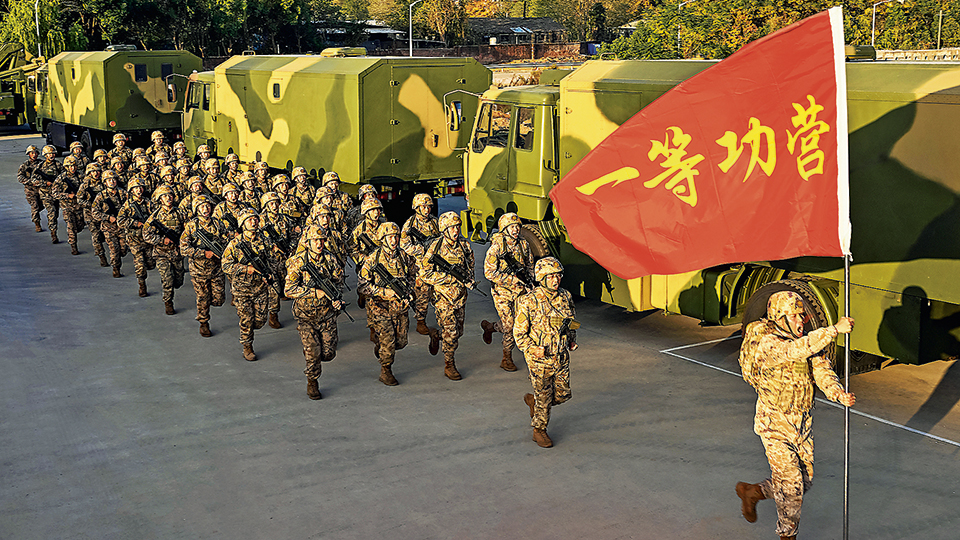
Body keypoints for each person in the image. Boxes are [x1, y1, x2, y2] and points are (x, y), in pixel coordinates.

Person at [735, 291, 856, 540]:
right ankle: (787, 535)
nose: (800, 320)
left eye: (802, 315)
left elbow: (821, 370)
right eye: (794, 315)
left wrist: (837, 393)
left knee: (804, 482)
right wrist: (834, 330)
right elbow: (792, 351)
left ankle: (754, 492)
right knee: (792, 485)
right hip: (774, 425)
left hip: (802, 424)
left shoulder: (803, 339)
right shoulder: (767, 341)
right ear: (779, 317)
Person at [513, 257, 578, 448]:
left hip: (561, 355)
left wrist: (572, 339)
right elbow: (519, 334)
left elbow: (570, 321)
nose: (555, 280)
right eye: (550, 277)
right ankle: (539, 430)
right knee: (544, 396)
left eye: (558, 276)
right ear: (541, 278)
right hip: (539, 359)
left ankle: (535, 402)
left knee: (563, 394)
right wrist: (533, 349)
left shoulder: (565, 296)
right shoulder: (529, 301)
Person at [285, 228, 347, 399]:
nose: (319, 243)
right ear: (307, 243)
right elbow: (288, 290)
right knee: (313, 354)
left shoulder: (330, 259)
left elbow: (338, 282)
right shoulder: (298, 261)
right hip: (306, 316)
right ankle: (312, 382)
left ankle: (314, 354)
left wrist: (336, 298)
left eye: (321, 240)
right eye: (315, 240)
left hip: (327, 315)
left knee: (329, 353)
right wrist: (313, 292)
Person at [419, 211, 476, 381]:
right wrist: (448, 278)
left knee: (458, 332)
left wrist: (469, 279)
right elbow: (424, 273)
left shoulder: (464, 245)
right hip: (443, 298)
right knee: (451, 333)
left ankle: (436, 335)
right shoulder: (435, 247)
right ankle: (449, 364)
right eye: (452, 228)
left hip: (460, 297)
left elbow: (470, 265)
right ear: (444, 229)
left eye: (457, 227)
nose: (456, 230)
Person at [359, 222, 416, 386]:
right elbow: (362, 286)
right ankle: (386, 370)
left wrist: (408, 292)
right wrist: (384, 292)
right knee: (388, 341)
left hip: (400, 307)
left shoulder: (403, 256)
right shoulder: (373, 259)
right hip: (380, 308)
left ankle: (381, 344)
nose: (394, 240)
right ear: (382, 239)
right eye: (390, 237)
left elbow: (412, 275)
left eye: (396, 237)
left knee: (401, 342)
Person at [221, 210, 283, 362]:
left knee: (260, 320)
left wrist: (270, 274)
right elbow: (225, 265)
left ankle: (249, 331)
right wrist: (245, 268)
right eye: (250, 220)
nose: (254, 222)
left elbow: (271, 259)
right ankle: (247, 346)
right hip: (242, 289)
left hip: (260, 288)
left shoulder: (264, 240)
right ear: (243, 224)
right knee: (246, 319)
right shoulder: (235, 244)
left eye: (255, 219)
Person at [482, 213, 536, 372]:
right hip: (502, 292)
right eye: (512, 227)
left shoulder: (523, 244)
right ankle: (507, 357)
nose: (515, 230)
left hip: (520, 292)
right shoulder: (497, 247)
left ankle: (491, 327)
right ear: (504, 229)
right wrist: (511, 280)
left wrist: (530, 281)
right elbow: (489, 273)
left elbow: (530, 265)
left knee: (522, 323)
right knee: (510, 325)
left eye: (517, 226)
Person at [180, 196, 228, 337]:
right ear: (196, 209)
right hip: (198, 270)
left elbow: (227, 240)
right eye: (202, 206)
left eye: (207, 206)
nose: (205, 209)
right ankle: (204, 322)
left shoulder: (218, 224)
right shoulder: (192, 226)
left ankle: (208, 306)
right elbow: (183, 248)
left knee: (219, 299)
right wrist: (203, 253)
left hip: (216, 268)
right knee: (202, 297)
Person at [400, 193, 440, 338]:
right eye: (423, 207)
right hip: (419, 265)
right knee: (422, 294)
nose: (427, 209)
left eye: (428, 206)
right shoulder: (410, 224)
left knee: (438, 292)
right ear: (416, 208)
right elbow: (404, 245)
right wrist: (421, 250)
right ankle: (420, 321)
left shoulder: (435, 222)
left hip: (435, 264)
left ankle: (442, 318)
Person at [141, 185, 186, 315]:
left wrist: (184, 241)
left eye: (170, 195)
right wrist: (162, 240)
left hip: (177, 253)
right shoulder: (155, 217)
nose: (168, 198)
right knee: (167, 279)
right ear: (160, 199)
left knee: (178, 280)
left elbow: (189, 229)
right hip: (161, 254)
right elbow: (146, 234)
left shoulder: (180, 213)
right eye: (165, 196)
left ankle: (172, 288)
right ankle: (168, 302)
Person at [117, 178, 155, 297]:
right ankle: (142, 285)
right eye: (136, 188)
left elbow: (156, 216)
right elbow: (120, 221)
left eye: (140, 187)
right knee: (140, 265)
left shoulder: (148, 203)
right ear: (131, 190)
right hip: (134, 240)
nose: (139, 190)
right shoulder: (128, 205)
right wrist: (135, 223)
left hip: (148, 239)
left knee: (151, 263)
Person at [91, 170, 127, 278]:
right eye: (109, 180)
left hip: (122, 227)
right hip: (109, 228)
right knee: (114, 249)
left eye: (114, 179)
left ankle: (118, 260)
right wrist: (107, 218)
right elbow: (95, 212)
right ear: (105, 182)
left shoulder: (123, 193)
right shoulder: (101, 196)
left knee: (123, 249)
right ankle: (116, 269)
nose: (112, 182)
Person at [52, 156, 85, 255]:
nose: (72, 168)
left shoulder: (81, 176)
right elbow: (55, 193)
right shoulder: (61, 178)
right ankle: (73, 246)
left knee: (80, 226)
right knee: (71, 228)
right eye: (70, 166)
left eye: (74, 166)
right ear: (66, 167)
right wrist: (67, 195)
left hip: (79, 207)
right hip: (67, 207)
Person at [78, 163, 108, 266]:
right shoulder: (85, 186)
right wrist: (92, 204)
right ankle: (101, 255)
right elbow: (79, 200)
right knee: (96, 235)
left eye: (98, 171)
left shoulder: (104, 183)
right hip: (90, 214)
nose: (96, 173)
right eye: (93, 171)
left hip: (104, 213)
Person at [35, 145, 65, 244]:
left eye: (53, 153)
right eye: (49, 154)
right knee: (51, 213)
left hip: (57, 193)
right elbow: (34, 179)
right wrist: (45, 183)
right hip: (46, 194)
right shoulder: (40, 166)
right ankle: (53, 233)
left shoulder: (58, 165)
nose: (51, 155)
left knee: (56, 214)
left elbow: (65, 176)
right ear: (45, 155)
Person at [18, 145, 44, 232]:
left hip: (41, 189)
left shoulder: (42, 164)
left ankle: (35, 215)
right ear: (28, 154)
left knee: (43, 205)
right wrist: (30, 181)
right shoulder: (25, 165)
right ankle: (37, 223)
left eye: (35, 153)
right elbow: (20, 177)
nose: (34, 155)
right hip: (30, 190)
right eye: (32, 153)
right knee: (34, 206)